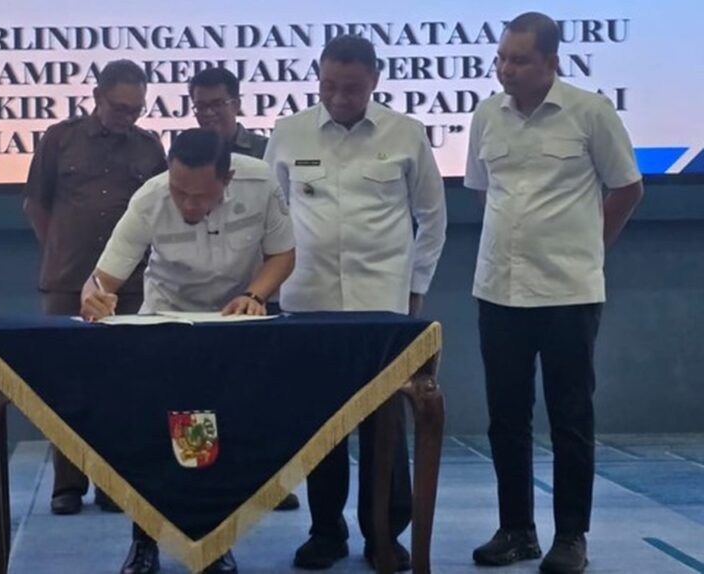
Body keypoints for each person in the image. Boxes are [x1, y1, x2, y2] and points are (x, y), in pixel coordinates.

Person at [465, 12, 643, 574]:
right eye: (501, 58)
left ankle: (571, 537)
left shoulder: (591, 112)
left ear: (550, 62)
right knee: (505, 417)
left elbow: (628, 187)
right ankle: (516, 530)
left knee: (570, 418)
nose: (506, 69)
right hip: (498, 288)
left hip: (568, 291)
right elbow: (483, 192)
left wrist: (589, 246)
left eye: (519, 60)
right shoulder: (486, 115)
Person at [264, 34, 447, 571]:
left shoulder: (406, 133)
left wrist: (415, 287)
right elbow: (270, 214)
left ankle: (385, 534)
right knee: (321, 424)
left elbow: (432, 217)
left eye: (351, 88)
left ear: (374, 81)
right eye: (329, 86)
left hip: (381, 302)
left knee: (383, 423)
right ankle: (326, 532)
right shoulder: (289, 132)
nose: (339, 97)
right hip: (308, 300)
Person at [81, 128, 295, 574]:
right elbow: (102, 279)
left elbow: (282, 255)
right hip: (167, 321)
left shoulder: (260, 183)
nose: (189, 205)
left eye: (201, 196)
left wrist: (255, 295)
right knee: (155, 438)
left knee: (222, 439)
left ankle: (216, 542)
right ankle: (144, 542)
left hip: (233, 322)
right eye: (180, 192)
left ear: (228, 178)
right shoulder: (150, 198)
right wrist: (93, 297)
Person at [23, 59, 167, 516]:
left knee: (125, 385)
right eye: (120, 108)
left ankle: (114, 483)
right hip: (67, 281)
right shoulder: (59, 139)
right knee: (67, 382)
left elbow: (161, 209)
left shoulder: (149, 146)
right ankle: (68, 484)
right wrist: (61, 250)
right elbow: (36, 204)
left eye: (136, 109)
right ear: (97, 97)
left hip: (131, 285)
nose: (128, 117)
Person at [187, 65, 300, 512]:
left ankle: (270, 483)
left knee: (260, 395)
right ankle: (207, 481)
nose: (208, 113)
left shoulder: (265, 152)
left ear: (237, 103)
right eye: (200, 106)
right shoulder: (185, 152)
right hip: (196, 295)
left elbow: (282, 226)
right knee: (202, 396)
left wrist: (261, 290)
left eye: (217, 104)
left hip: (256, 291)